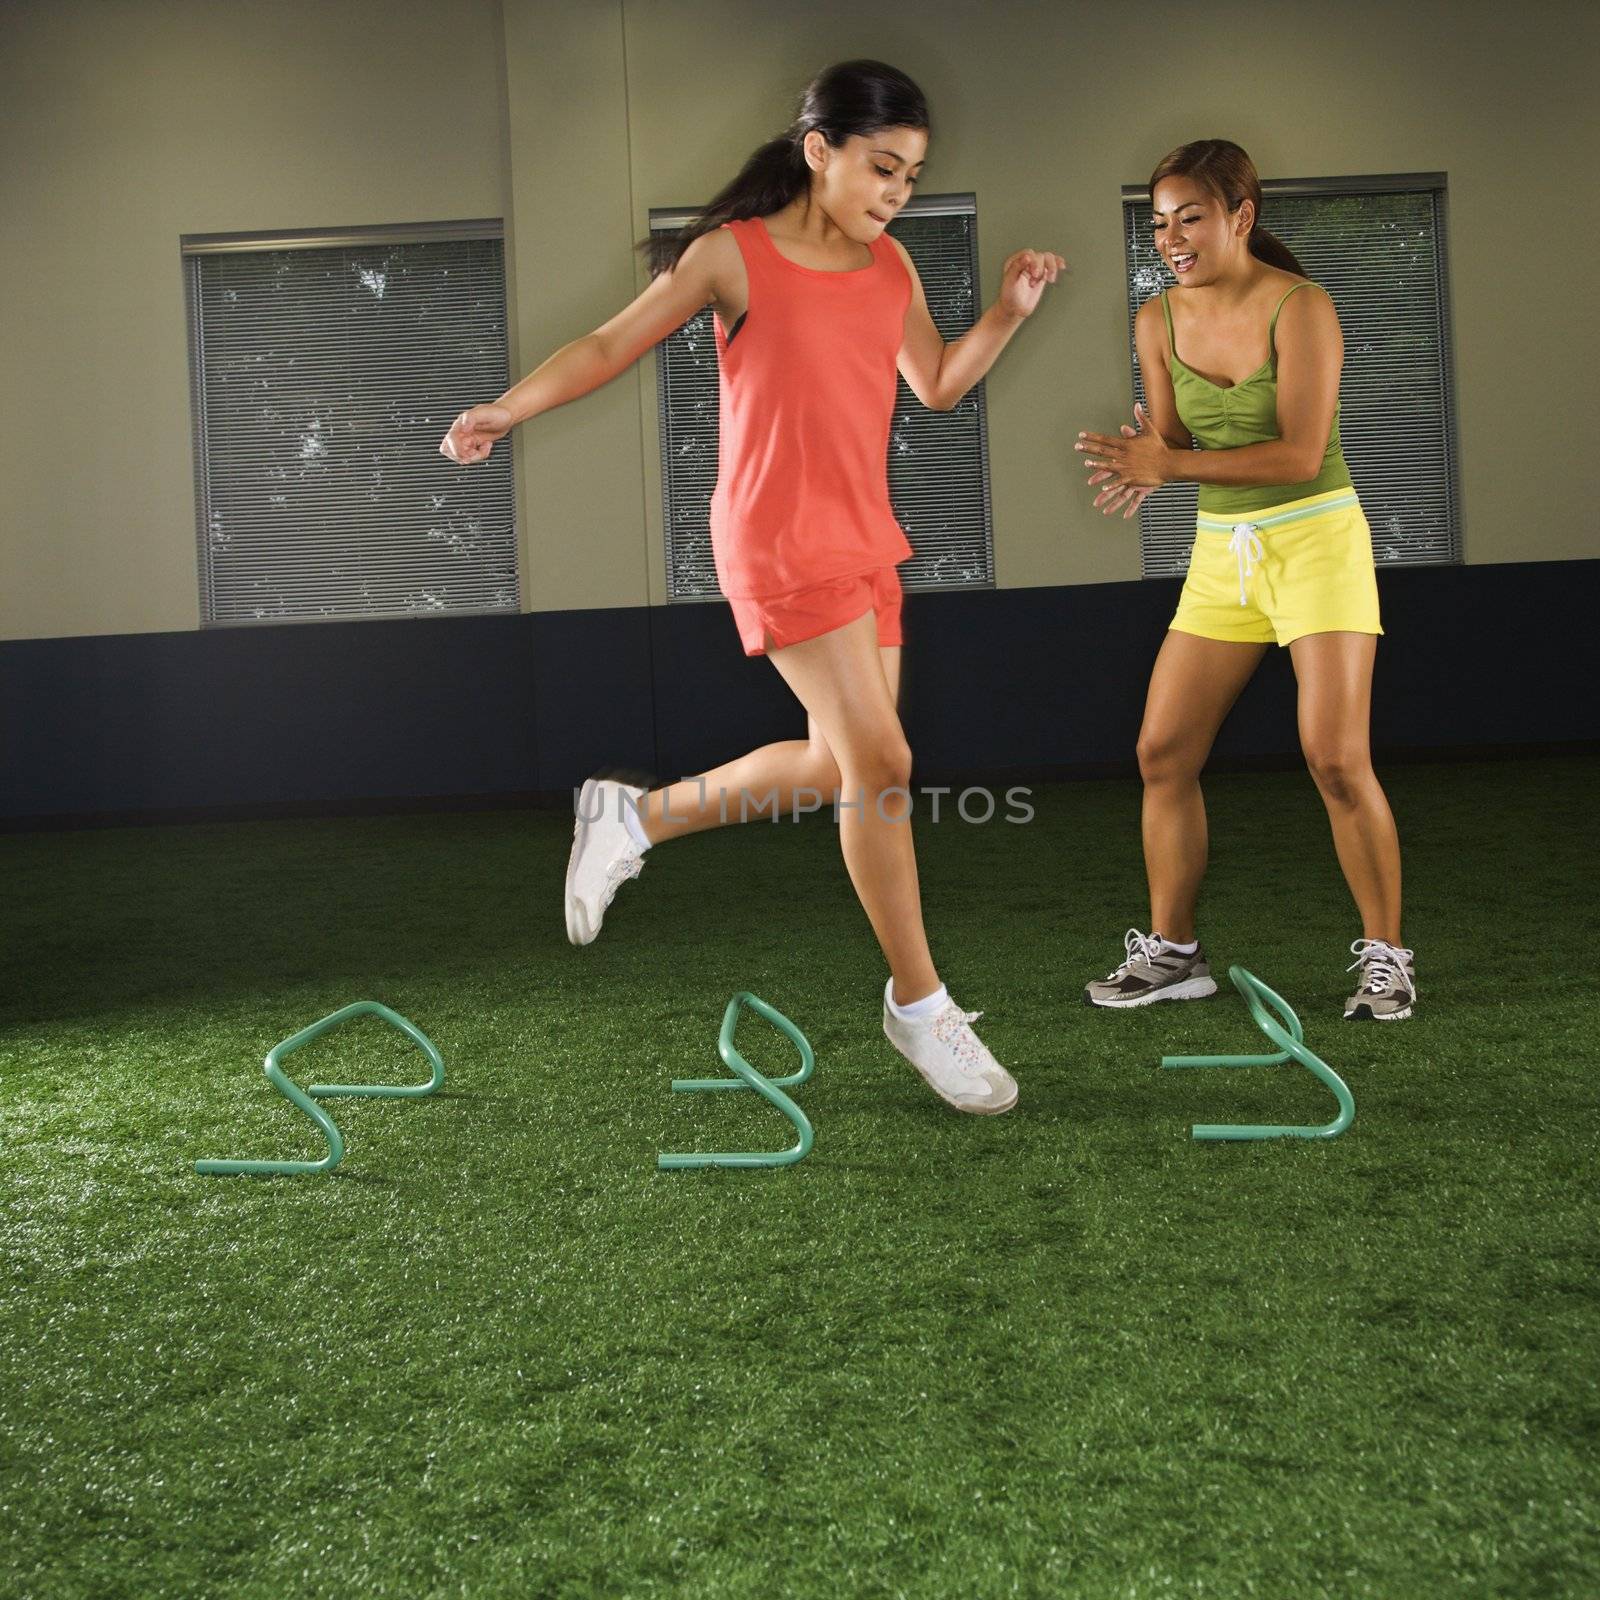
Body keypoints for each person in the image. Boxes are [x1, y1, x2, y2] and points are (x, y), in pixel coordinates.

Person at [440, 60, 1066, 1108]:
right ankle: (919, 1005)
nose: (893, 194)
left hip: (867, 535)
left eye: (910, 178)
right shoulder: (732, 257)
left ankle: (635, 819)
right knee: (885, 760)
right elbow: (608, 341)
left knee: (840, 770)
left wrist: (1008, 308)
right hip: (777, 537)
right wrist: (509, 408)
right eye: (880, 168)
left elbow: (940, 385)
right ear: (818, 150)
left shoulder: (891, 265)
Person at [1074, 139, 1414, 1021]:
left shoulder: (1301, 307)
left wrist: (1168, 467)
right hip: (1223, 552)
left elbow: (1301, 454)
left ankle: (1387, 959)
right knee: (1161, 752)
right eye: (1158, 222)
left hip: (1318, 544)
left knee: (1335, 758)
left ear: (1241, 216)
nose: (1171, 237)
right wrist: (1151, 458)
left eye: (1190, 216)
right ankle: (1175, 954)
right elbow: (1181, 449)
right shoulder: (1156, 320)